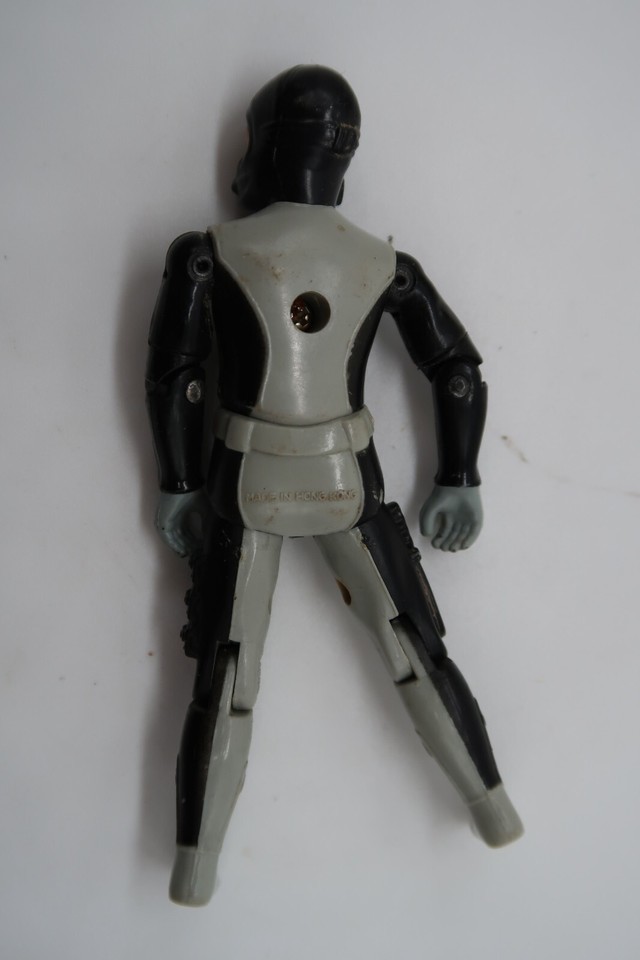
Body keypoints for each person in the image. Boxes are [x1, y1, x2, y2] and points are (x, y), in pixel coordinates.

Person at [146, 64, 523, 907]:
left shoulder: (207, 254)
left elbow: (177, 376)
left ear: (261, 147)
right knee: (416, 652)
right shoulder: (384, 263)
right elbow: (455, 368)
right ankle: (493, 808)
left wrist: (177, 481)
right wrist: (459, 474)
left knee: (226, 677)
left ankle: (195, 870)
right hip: (346, 476)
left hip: (245, 479)